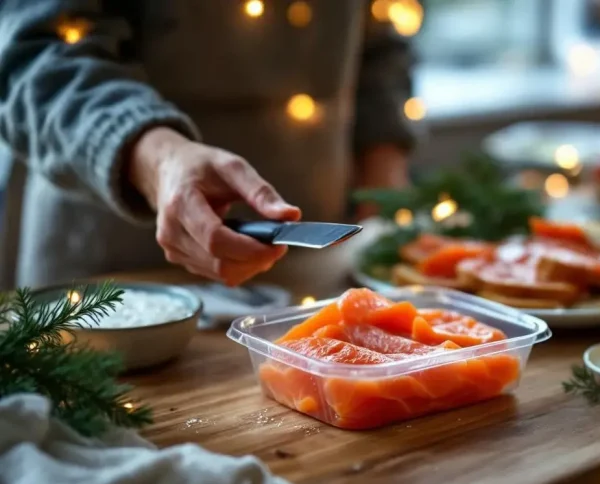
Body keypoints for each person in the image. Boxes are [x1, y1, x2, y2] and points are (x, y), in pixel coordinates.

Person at [0, 1, 419, 288]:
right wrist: (160, 163)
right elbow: (35, 56)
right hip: (114, 280)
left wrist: (382, 180)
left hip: (318, 265)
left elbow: (380, 40)